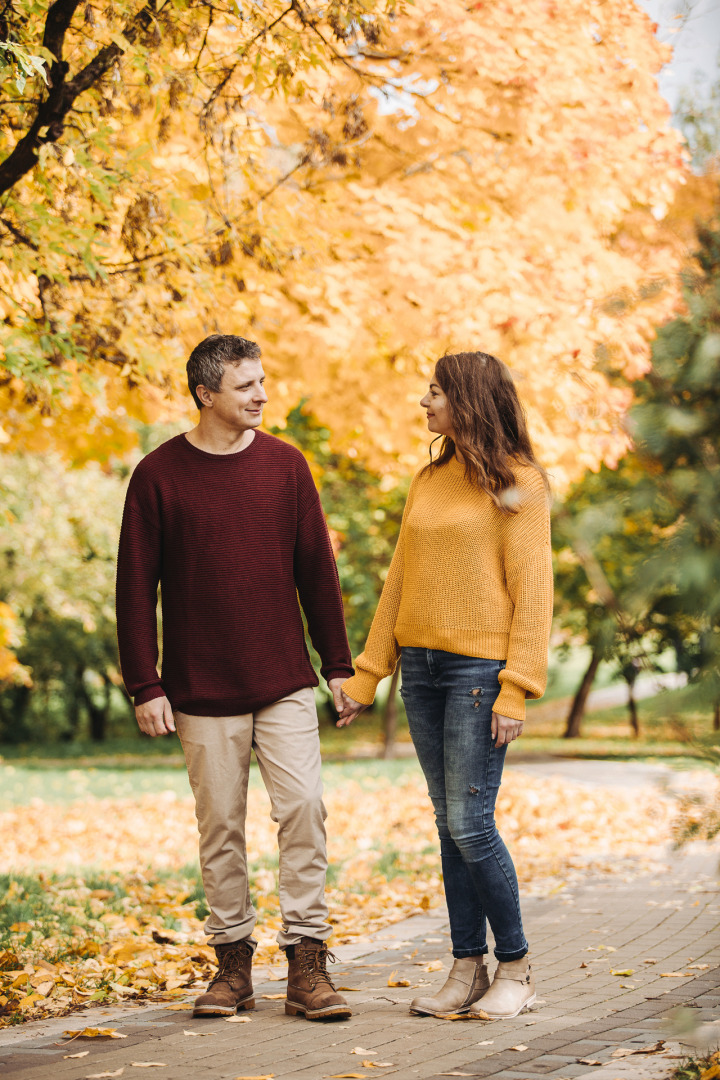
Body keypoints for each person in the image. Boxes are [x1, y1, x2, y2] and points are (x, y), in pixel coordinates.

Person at [116, 334, 354, 1022]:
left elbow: (318, 571)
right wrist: (145, 683)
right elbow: (136, 588)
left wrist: (336, 665)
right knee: (220, 827)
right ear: (206, 393)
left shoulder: (285, 466)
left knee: (304, 809)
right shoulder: (158, 475)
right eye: (247, 385)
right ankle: (232, 968)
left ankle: (308, 966)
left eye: (262, 382)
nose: (262, 395)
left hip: (283, 679)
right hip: (199, 687)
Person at [340, 351, 553, 1021]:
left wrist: (517, 687)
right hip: (423, 672)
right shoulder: (427, 480)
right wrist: (367, 672)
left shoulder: (520, 482)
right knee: (449, 825)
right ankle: (467, 967)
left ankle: (516, 966)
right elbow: (400, 578)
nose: (424, 404)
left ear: (467, 399)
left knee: (470, 822)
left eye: (433, 393)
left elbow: (534, 593)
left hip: (478, 675)